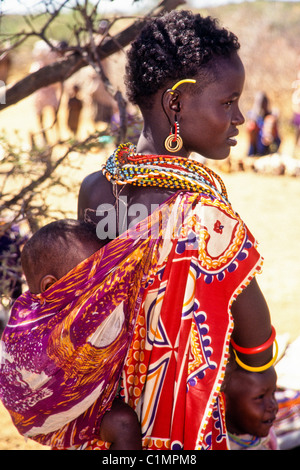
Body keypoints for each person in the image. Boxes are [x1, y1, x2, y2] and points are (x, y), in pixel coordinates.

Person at [77, 10, 275, 450]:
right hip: (185, 423)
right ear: (176, 104)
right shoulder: (204, 212)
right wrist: (259, 373)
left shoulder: (94, 191)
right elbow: (253, 328)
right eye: (228, 102)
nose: (240, 117)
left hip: (109, 423)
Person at [0, 219, 142, 450]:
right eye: (92, 279)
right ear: (51, 287)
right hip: (48, 415)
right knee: (123, 424)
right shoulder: (41, 329)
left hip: (44, 410)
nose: (102, 287)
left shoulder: (55, 307)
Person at [222, 351, 278, 450]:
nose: (273, 406)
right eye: (260, 397)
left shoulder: (266, 433)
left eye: (273, 393)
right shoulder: (217, 443)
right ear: (225, 401)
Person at [246, 91, 281, 156]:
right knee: (251, 126)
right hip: (257, 146)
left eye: (264, 102)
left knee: (270, 121)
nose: (263, 105)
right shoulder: (254, 116)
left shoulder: (271, 115)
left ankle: (271, 151)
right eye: (260, 103)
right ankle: (253, 153)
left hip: (270, 143)